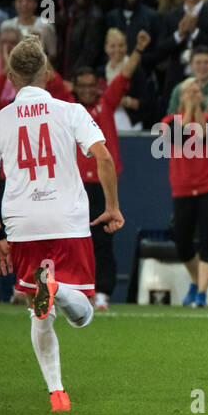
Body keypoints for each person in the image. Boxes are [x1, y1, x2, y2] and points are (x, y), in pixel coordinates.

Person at [0, 36, 123, 412]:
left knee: (40, 311)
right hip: (66, 219)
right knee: (82, 314)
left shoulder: (2, 119)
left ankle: (57, 392)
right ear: (49, 72)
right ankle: (54, 288)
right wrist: (113, 207)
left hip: (22, 222)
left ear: (9, 74)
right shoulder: (70, 111)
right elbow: (102, 157)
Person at [63, 31, 148, 309]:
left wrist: (138, 48)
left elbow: (124, 76)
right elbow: (49, 78)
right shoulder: (68, 107)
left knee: (103, 239)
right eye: (82, 85)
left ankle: (102, 292)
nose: (88, 89)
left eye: (92, 85)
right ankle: (74, 290)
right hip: (74, 183)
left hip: (101, 184)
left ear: (97, 87)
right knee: (72, 239)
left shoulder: (106, 103)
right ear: (74, 86)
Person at [162, 79, 208, 308]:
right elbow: (180, 138)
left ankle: (202, 293)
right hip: (183, 187)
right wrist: (188, 109)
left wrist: (197, 109)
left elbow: (204, 136)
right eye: (189, 91)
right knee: (182, 240)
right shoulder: (169, 122)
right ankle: (197, 281)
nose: (193, 93)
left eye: (197, 91)